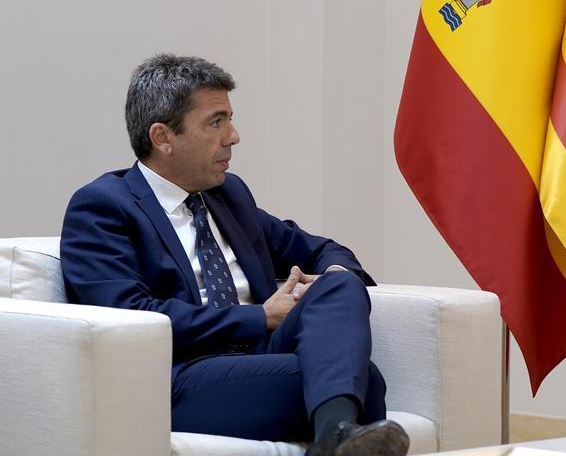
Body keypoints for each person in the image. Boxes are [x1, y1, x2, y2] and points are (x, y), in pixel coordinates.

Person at [60, 54, 409, 456]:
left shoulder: (228, 195)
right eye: (215, 122)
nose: (233, 136)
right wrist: (260, 316)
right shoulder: (104, 206)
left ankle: (333, 439)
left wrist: (331, 272)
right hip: (181, 374)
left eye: (230, 118)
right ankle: (337, 431)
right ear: (162, 137)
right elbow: (129, 315)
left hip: (260, 355)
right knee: (363, 379)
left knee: (342, 284)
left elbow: (322, 249)